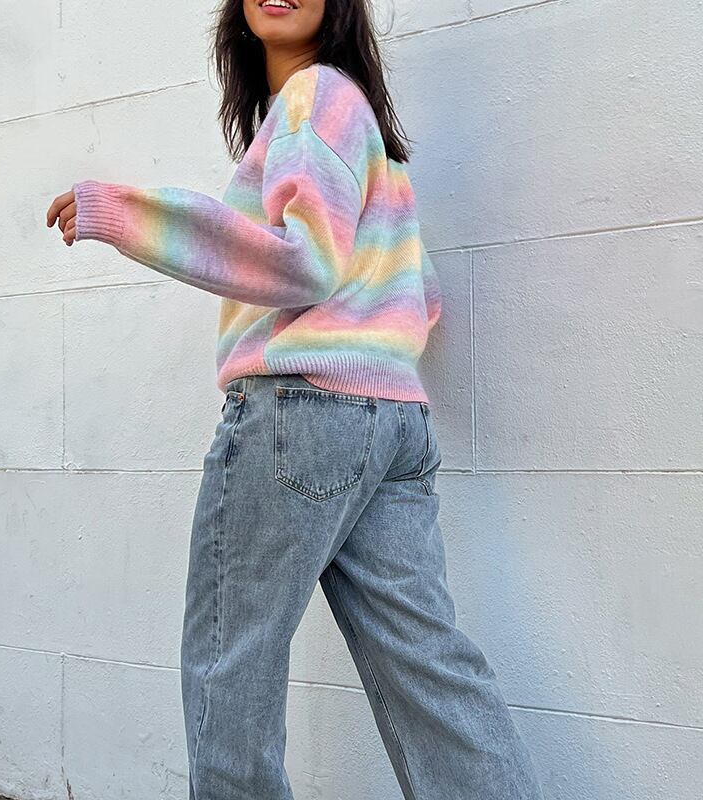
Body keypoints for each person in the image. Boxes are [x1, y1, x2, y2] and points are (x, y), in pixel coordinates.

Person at [46, 1, 545, 798]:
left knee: (231, 660)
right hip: (393, 420)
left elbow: (306, 264)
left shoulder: (315, 98)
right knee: (426, 664)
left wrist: (126, 215)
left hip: (302, 414)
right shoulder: (361, 121)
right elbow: (421, 292)